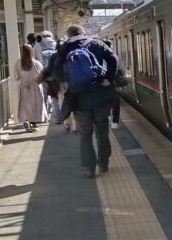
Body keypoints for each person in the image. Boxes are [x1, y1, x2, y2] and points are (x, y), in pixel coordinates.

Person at [42, 24, 119, 178]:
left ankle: (89, 168)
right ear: (83, 33)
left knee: (85, 133)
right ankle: (104, 162)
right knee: (102, 129)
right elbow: (113, 59)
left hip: (79, 97)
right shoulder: (97, 43)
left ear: (69, 35)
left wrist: (69, 81)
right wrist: (108, 79)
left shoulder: (65, 49)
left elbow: (55, 69)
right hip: (100, 93)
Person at [14, 44, 46, 131]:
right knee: (35, 106)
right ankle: (34, 123)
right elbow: (42, 75)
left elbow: (16, 77)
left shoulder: (18, 63)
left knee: (25, 106)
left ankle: (26, 121)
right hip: (35, 87)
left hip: (24, 87)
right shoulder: (36, 63)